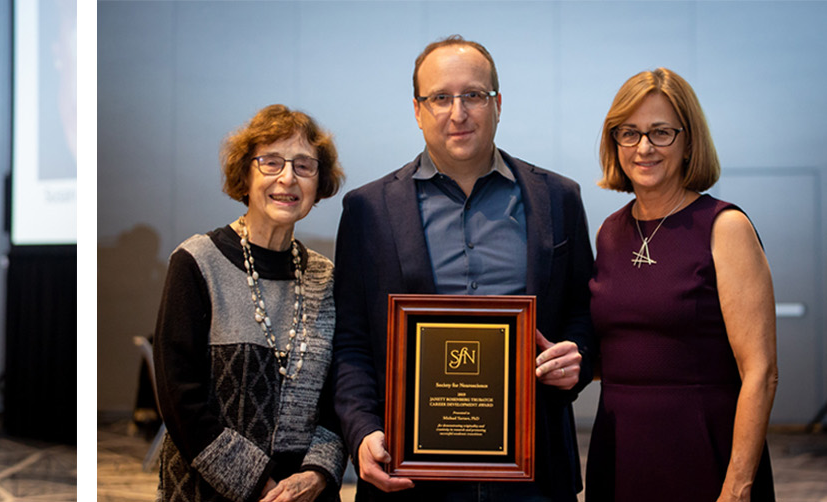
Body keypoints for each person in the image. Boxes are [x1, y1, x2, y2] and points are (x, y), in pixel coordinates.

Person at [331, 35, 594, 501]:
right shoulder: (367, 210)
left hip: (535, 474)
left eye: (473, 95)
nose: (458, 112)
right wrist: (361, 429)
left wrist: (578, 358)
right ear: (417, 109)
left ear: (498, 103)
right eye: (440, 98)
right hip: (409, 474)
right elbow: (352, 340)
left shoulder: (559, 199)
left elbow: (583, 315)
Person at [586, 68, 776, 501]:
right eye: (629, 133)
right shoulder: (610, 232)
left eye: (661, 132)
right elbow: (615, 352)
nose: (644, 148)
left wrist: (738, 485)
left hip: (704, 452)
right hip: (619, 453)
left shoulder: (725, 227)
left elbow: (761, 372)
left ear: (689, 141)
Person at [152, 104, 348, 502]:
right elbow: (179, 398)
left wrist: (316, 474)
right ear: (244, 173)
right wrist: (260, 483)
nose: (287, 178)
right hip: (204, 492)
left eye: (304, 166)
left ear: (319, 182)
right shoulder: (196, 262)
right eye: (271, 162)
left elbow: (338, 396)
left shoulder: (324, 278)